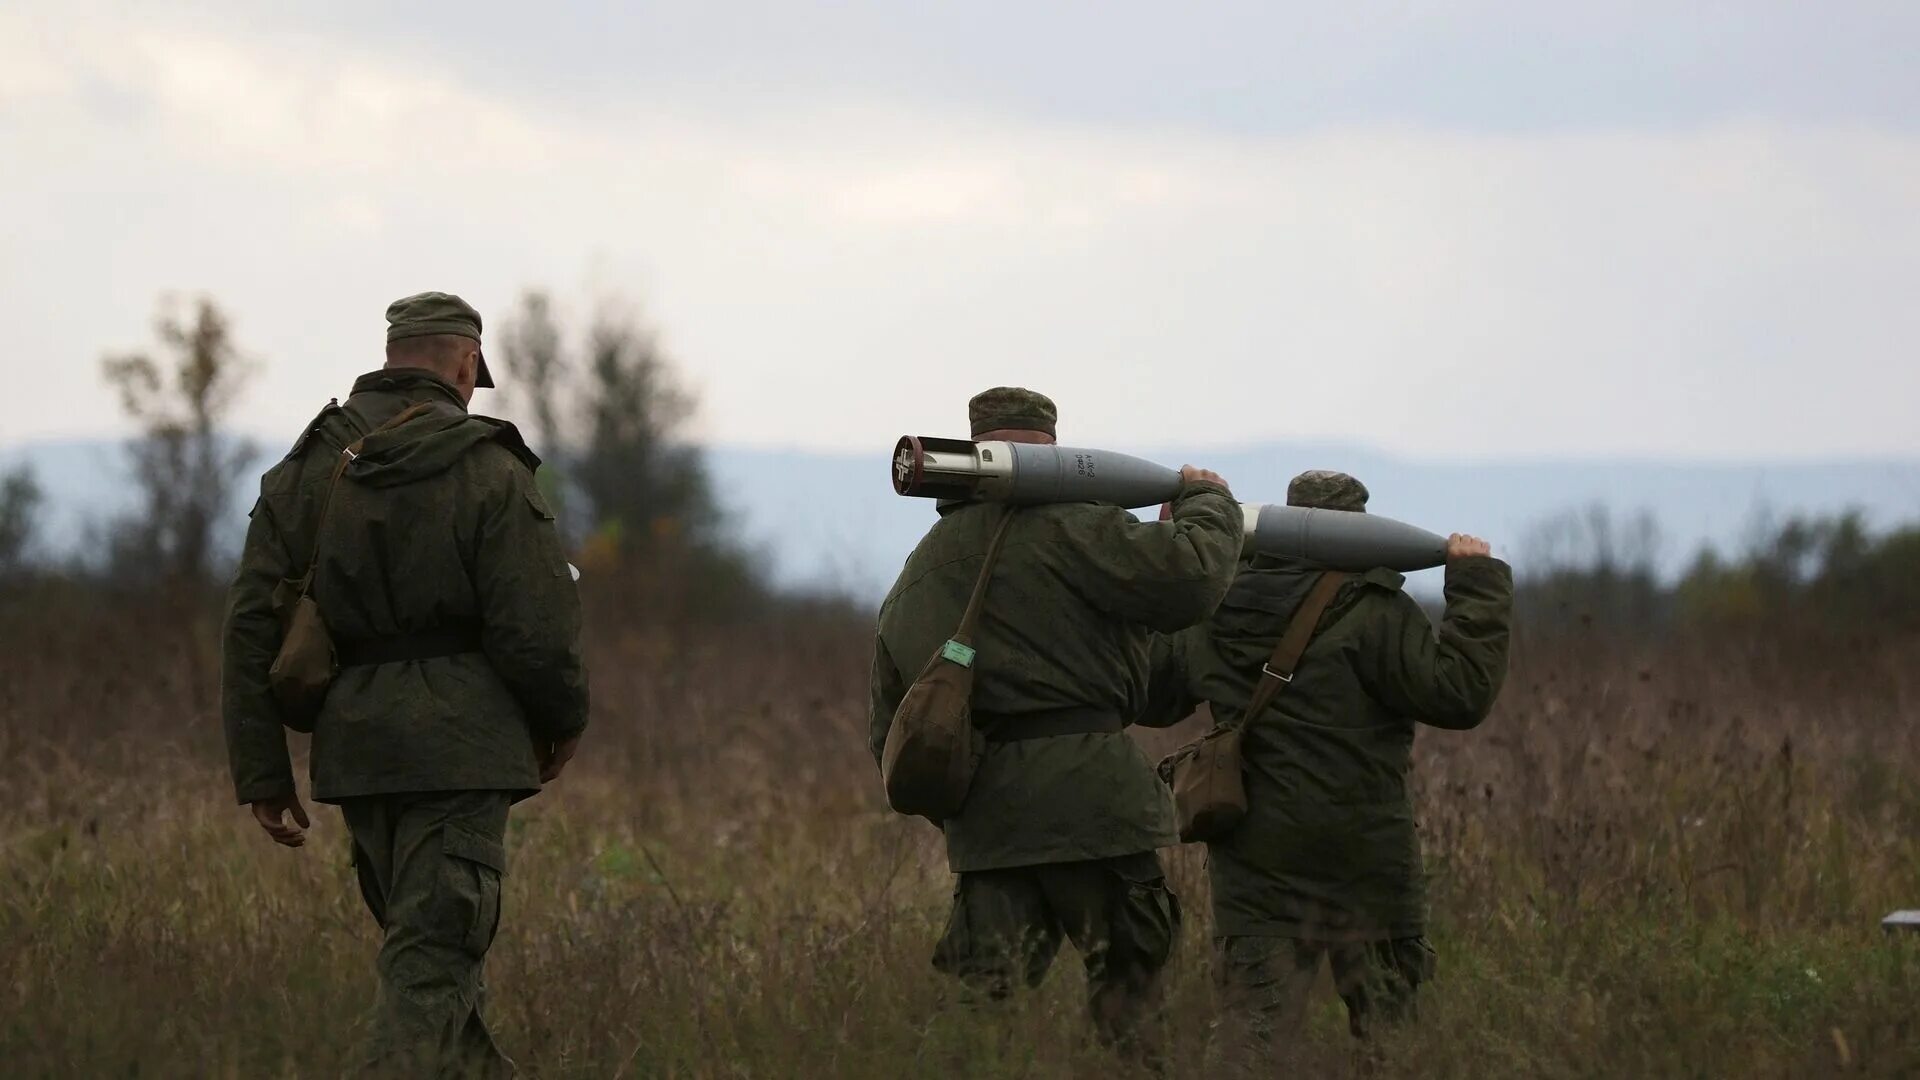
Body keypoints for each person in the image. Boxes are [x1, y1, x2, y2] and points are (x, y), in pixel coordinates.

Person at [221, 291, 590, 1077]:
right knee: (431, 973)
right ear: (465, 364)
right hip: (463, 752)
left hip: (359, 756)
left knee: (437, 974)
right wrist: (564, 721)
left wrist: (262, 769)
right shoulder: (488, 465)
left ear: (392, 358)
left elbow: (252, 622)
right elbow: (534, 627)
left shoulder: (305, 465)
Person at [869, 386, 1243, 1058]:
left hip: (989, 826)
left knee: (978, 1010)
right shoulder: (1081, 526)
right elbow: (1191, 577)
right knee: (1131, 999)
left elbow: (891, 734)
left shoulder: (916, 574)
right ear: (1055, 453)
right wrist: (1206, 502)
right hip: (1099, 810)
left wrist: (975, 803)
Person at [1138, 469, 1511, 1068]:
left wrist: (1171, 574)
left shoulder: (1217, 610)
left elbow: (1152, 697)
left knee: (1252, 1039)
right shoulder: (1379, 615)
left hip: (1257, 861)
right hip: (1368, 862)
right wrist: (1476, 584)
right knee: (1389, 1038)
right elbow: (1461, 695)